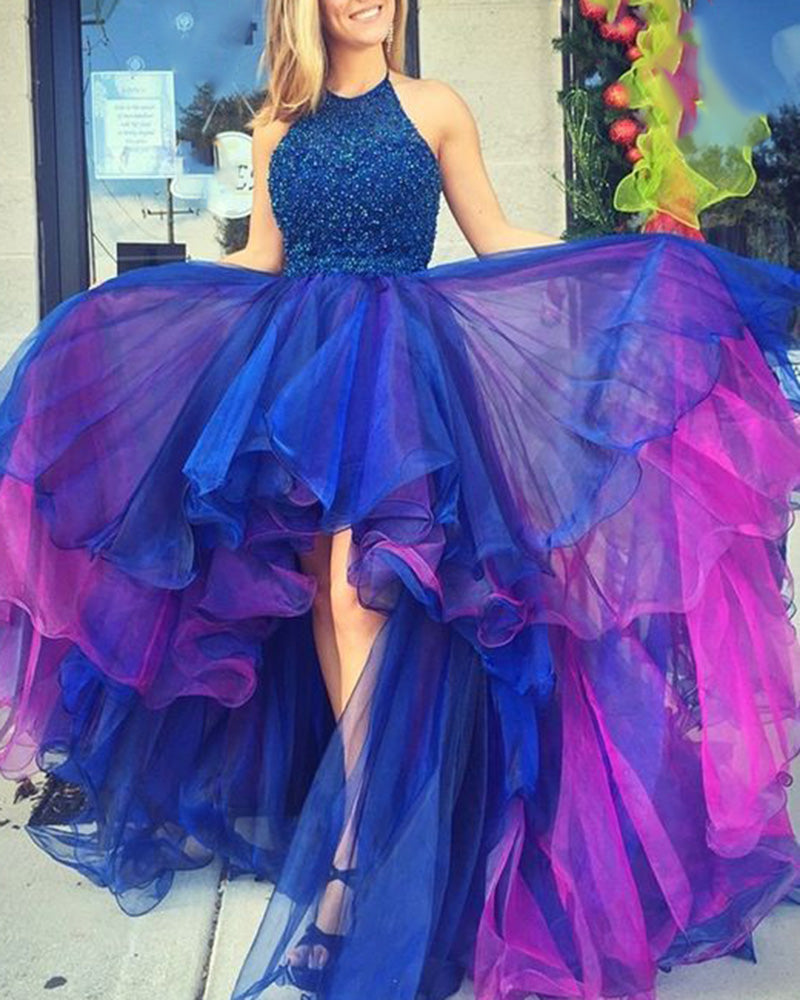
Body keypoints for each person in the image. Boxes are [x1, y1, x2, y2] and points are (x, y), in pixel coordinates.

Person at [0, 1, 799, 999]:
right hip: (295, 378)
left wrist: (618, 260)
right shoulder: (275, 126)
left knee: (357, 597)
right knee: (324, 599)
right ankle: (361, 815)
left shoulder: (434, 107)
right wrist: (140, 302)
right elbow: (261, 260)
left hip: (395, 380)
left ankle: (351, 847)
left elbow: (493, 235)